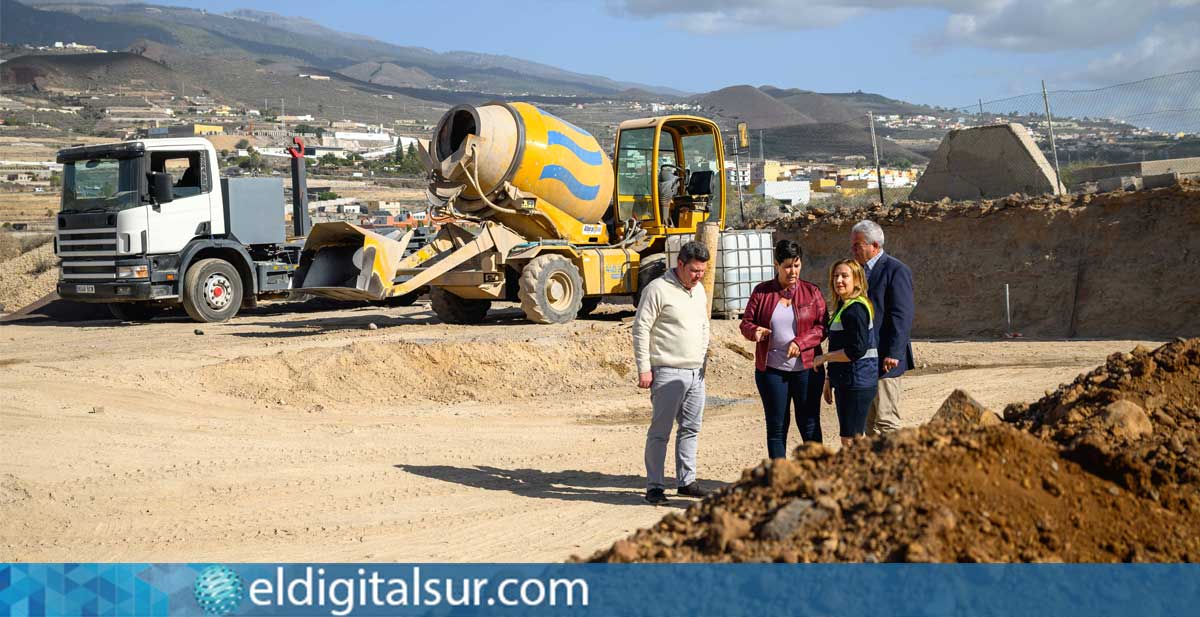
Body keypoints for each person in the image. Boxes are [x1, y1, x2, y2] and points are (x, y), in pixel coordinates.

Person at [632, 241, 712, 505]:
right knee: (660, 431)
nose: (698, 276)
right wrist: (644, 368)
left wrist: (701, 359)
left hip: (695, 373)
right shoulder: (657, 290)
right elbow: (641, 329)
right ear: (680, 264)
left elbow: (703, 326)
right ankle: (654, 486)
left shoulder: (699, 290)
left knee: (691, 428)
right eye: (694, 270)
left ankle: (686, 481)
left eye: (702, 271)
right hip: (666, 371)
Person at [739, 239, 827, 459]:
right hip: (771, 371)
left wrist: (801, 342)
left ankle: (818, 477)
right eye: (787, 266)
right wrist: (754, 331)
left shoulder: (812, 292)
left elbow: (823, 326)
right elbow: (746, 323)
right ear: (776, 264)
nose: (793, 271)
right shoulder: (762, 292)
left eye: (796, 265)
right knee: (777, 427)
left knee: (809, 424)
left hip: (807, 369)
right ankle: (780, 479)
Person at [850, 220, 914, 435]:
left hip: (886, 358)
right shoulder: (856, 271)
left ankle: (894, 465)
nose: (853, 250)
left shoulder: (896, 270)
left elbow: (901, 315)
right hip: (865, 358)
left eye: (857, 245)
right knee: (868, 423)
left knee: (886, 422)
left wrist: (894, 352)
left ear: (874, 245)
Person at [813, 260, 878, 447]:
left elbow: (856, 350)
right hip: (849, 380)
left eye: (844, 276)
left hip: (857, 381)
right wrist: (829, 380)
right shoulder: (845, 306)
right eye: (835, 276)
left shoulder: (855, 309)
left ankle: (858, 476)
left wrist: (824, 357)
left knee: (851, 441)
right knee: (851, 438)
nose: (838, 280)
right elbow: (839, 344)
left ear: (857, 280)